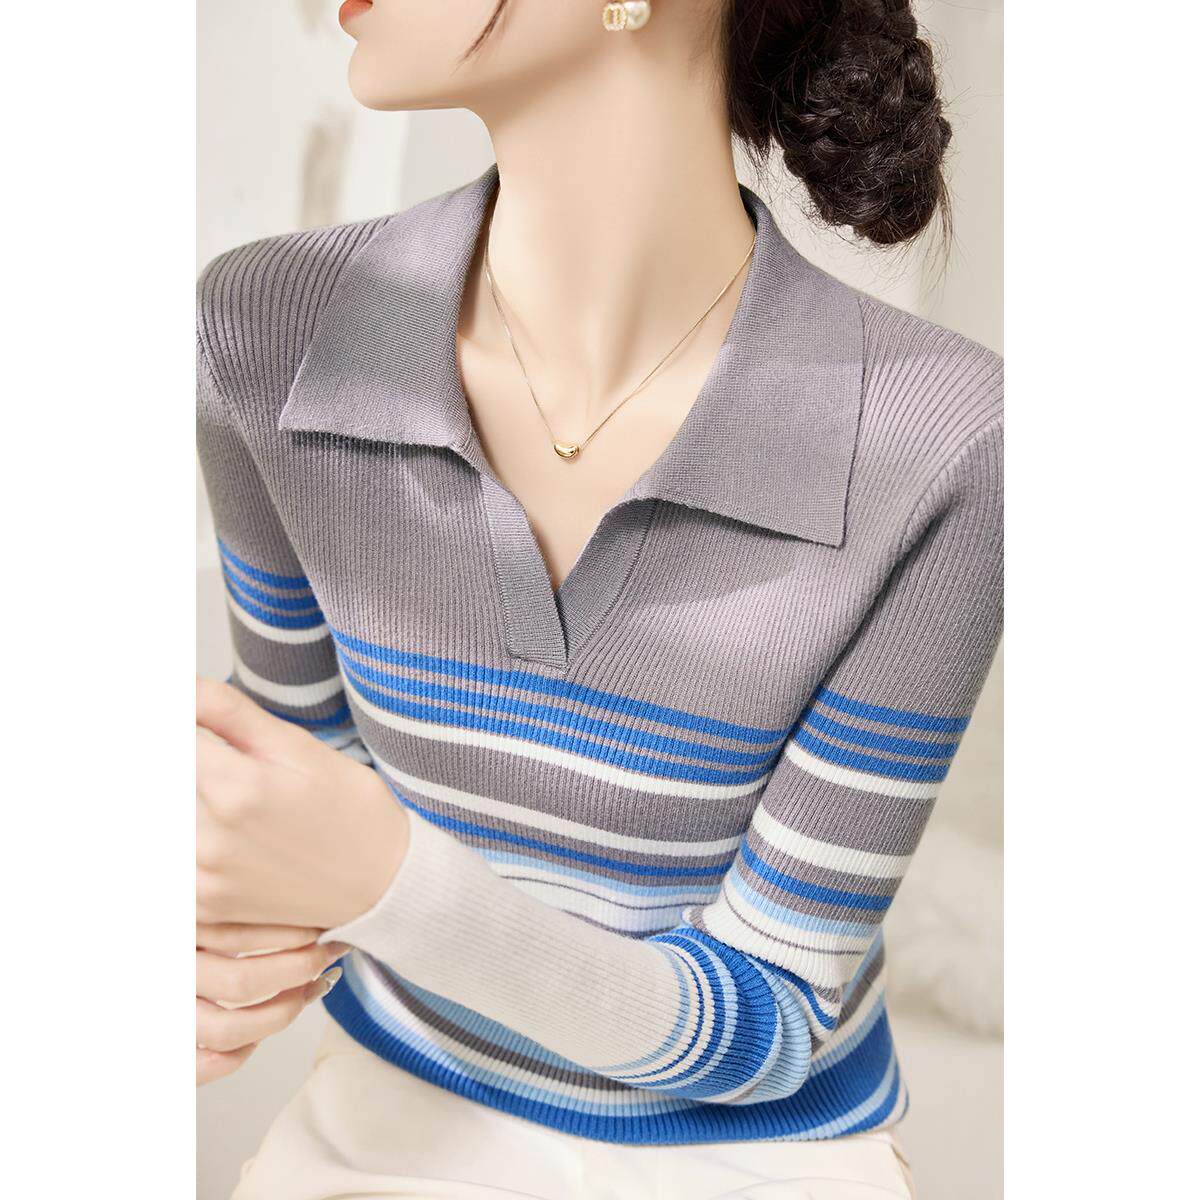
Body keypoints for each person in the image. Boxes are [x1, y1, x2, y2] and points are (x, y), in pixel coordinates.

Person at [196, 2, 1002, 1196]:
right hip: (390, 1126)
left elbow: (770, 1021)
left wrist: (384, 877)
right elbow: (293, 804)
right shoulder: (266, 337)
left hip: (759, 1161)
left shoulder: (945, 443)